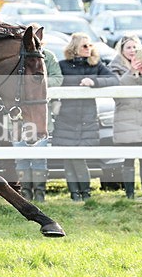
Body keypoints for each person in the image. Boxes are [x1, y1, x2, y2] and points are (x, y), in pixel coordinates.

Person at [53, 32, 118, 201]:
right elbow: (53, 83)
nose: (89, 48)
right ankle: (74, 194)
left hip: (86, 119)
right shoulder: (62, 65)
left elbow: (114, 79)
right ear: (74, 48)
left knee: (80, 157)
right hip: (66, 119)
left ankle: (85, 193)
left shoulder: (95, 65)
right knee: (68, 158)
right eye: (84, 45)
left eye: (90, 45)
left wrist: (94, 82)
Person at [14, 24, 63, 202]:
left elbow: (58, 78)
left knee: (40, 157)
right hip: (19, 117)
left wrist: (38, 83)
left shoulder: (48, 57)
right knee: (21, 157)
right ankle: (25, 192)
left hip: (40, 113)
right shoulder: (16, 59)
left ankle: (40, 192)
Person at [107, 35, 142, 199]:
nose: (132, 51)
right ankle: (129, 195)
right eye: (128, 47)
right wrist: (131, 72)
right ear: (122, 50)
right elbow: (117, 91)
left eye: (135, 47)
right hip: (125, 119)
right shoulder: (114, 68)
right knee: (128, 160)